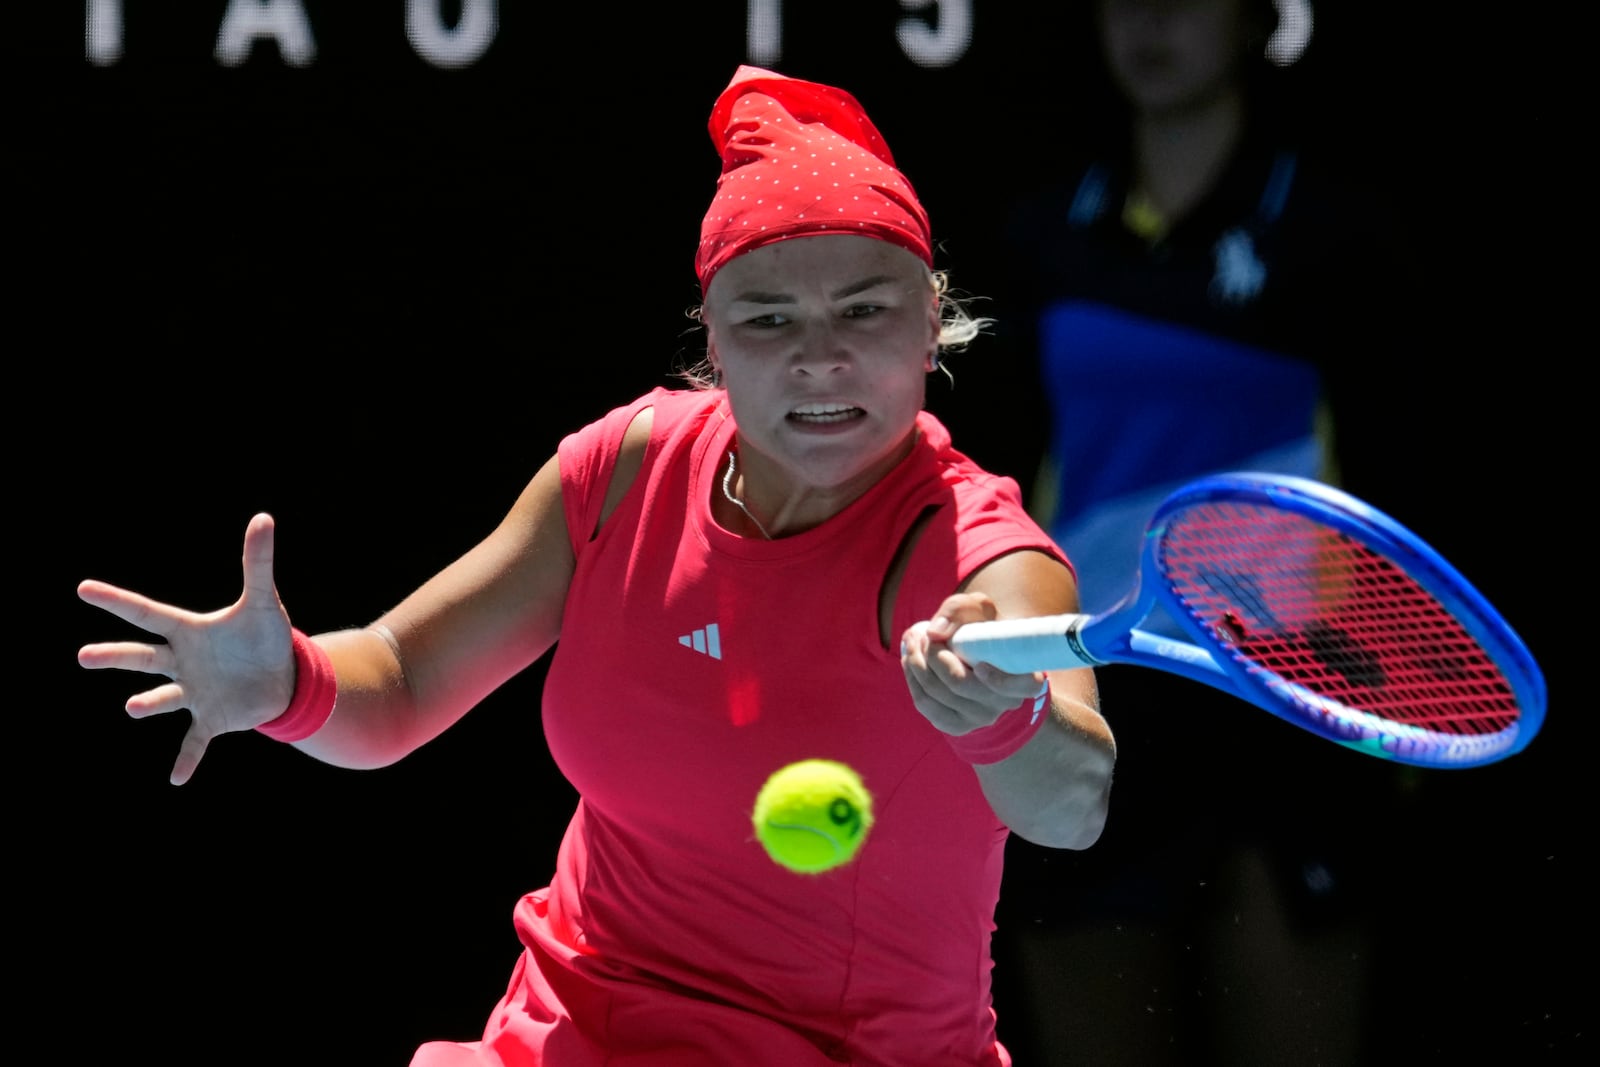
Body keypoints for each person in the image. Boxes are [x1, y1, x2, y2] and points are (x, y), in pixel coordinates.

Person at [77, 65, 1117, 1067]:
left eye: (864, 308)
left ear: (932, 319)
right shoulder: (622, 471)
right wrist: (291, 683)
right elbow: (397, 677)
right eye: (768, 317)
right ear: (710, 335)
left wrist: (998, 711)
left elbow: (1072, 805)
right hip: (569, 1024)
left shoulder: (977, 553)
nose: (819, 355)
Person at [928, 2, 1417, 1061]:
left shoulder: (1338, 233)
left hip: (1286, 696)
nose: (1150, 22)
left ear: (1254, 22)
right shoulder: (1044, 234)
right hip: (1103, 684)